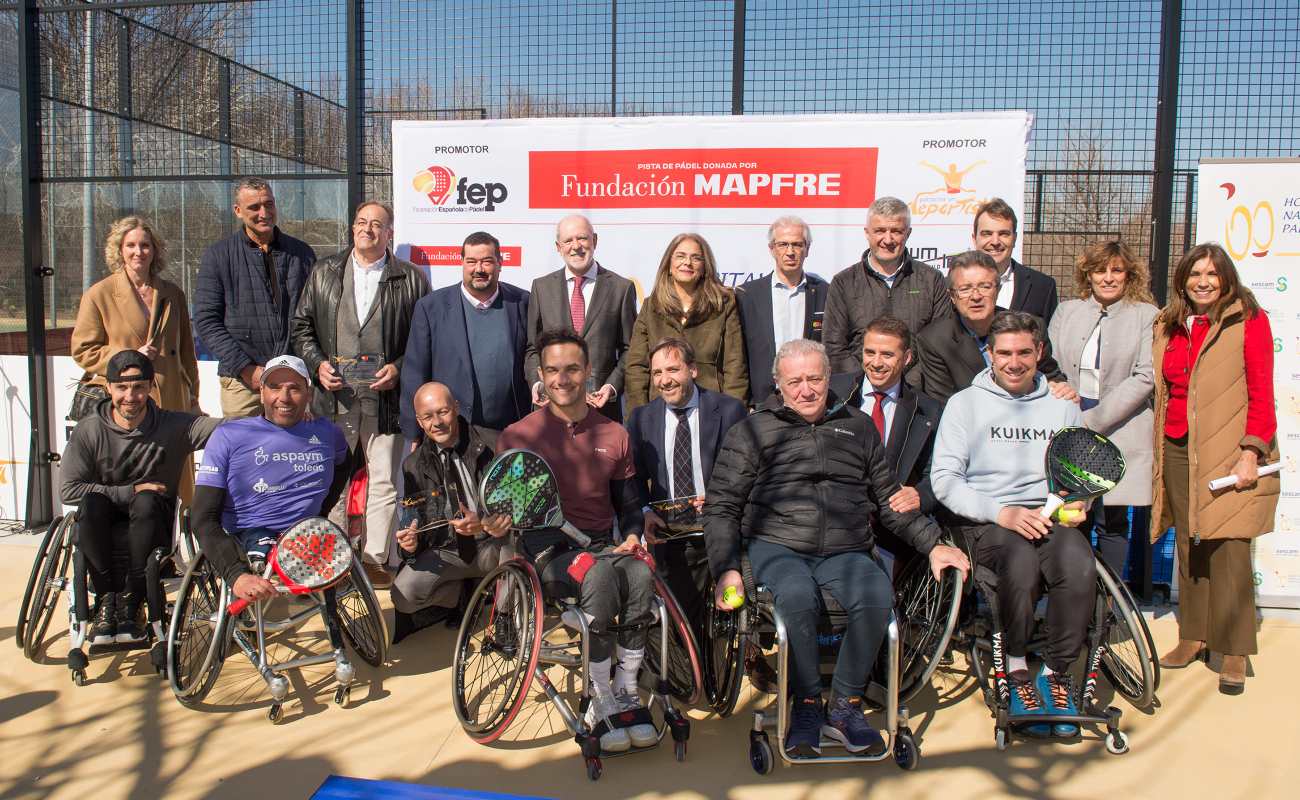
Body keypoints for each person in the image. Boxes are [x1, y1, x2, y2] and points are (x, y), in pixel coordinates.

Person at [705, 339, 969, 758]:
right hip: (778, 545)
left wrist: (933, 544)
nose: (806, 390)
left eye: (815, 378)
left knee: (877, 595)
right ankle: (807, 704)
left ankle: (846, 705)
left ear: (830, 378)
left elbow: (888, 500)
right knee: (795, 597)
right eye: (795, 381)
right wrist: (725, 569)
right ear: (778, 384)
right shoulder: (752, 431)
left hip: (846, 548)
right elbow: (722, 507)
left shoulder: (858, 426)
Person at [930, 311, 1092, 737]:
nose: (1014, 362)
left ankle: (1056, 675)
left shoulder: (1062, 406)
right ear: (990, 354)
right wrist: (1001, 512)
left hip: (1048, 516)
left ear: (1039, 352)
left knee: (1078, 566)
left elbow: (1078, 475)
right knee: (1019, 562)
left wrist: (1078, 502)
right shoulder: (964, 405)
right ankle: (1017, 667)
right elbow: (944, 481)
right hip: (990, 518)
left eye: (1024, 352)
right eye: (1004, 353)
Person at [497, 330, 657, 754]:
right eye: (553, 370)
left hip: (603, 543)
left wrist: (634, 536)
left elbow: (628, 504)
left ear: (588, 372)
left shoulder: (614, 433)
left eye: (572, 369)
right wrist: (495, 522)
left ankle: (626, 688)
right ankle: (598, 691)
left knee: (640, 573)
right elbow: (511, 512)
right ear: (541, 375)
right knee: (600, 573)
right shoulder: (518, 436)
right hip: (547, 552)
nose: (562, 379)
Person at [1149, 243, 1279, 695]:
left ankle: (1235, 649)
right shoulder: (1169, 323)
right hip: (1178, 447)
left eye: (1212, 273)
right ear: (1182, 279)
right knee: (1189, 540)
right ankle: (1194, 635)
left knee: (1230, 548)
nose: (1203, 281)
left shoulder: (1249, 320)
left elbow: (1263, 391)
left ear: (1226, 278)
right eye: (1194, 273)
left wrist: (1252, 452)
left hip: (1229, 451)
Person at [291, 200, 430, 588]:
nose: (368, 229)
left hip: (385, 400)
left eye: (378, 224)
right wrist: (317, 364)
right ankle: (330, 559)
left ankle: (374, 560)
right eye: (361, 222)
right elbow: (301, 328)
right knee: (330, 481)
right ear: (352, 229)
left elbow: (423, 339)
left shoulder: (411, 278)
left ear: (390, 234)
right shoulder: (324, 272)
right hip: (333, 399)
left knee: (384, 480)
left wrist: (400, 369)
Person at [60, 351, 221, 645]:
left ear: (150, 387)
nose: (130, 396)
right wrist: (130, 490)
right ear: (108, 388)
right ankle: (108, 599)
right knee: (93, 503)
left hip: (152, 519)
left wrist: (282, 414)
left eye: (138, 387)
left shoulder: (172, 425)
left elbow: (227, 429)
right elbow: (69, 490)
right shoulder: (89, 430)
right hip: (103, 517)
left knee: (147, 502)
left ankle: (132, 600)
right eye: (121, 387)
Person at [192, 355, 350, 602]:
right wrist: (236, 575)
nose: (284, 398)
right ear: (261, 391)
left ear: (308, 394)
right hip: (245, 537)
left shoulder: (328, 433)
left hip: (305, 536)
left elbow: (345, 464)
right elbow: (202, 517)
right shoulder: (228, 435)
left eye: (294, 388)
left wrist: (322, 510)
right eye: (275, 387)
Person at [71, 216, 202, 502]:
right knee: (137, 485)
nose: (138, 252)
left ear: (155, 250)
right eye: (130, 245)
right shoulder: (99, 294)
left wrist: (193, 398)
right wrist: (127, 358)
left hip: (171, 398)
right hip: (127, 402)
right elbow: (83, 350)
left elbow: (186, 354)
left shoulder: (172, 293)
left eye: (145, 245)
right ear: (119, 250)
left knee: (179, 482)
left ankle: (181, 539)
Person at [1047, 241, 1158, 577]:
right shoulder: (1067, 311)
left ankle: (1110, 606)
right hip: (1070, 425)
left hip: (1120, 428)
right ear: (1088, 274)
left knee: (1111, 520)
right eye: (1100, 270)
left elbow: (1145, 375)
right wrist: (1067, 405)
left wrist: (1092, 420)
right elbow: (1050, 364)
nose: (1108, 278)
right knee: (1070, 517)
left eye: (1117, 270)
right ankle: (1077, 597)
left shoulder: (1146, 315)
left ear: (1129, 275)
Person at [627, 337, 747, 633]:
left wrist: (718, 499)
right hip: (671, 538)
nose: (664, 381)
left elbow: (745, 472)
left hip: (722, 531)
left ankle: (734, 662)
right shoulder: (642, 418)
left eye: (673, 370)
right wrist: (644, 511)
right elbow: (633, 478)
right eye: (657, 373)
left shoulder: (729, 411)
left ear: (692, 370)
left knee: (728, 614)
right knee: (682, 625)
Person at [389, 382, 510, 643]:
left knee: (515, 547)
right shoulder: (412, 465)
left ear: (456, 408)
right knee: (404, 595)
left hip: (494, 545)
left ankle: (504, 617)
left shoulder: (494, 442)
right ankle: (462, 595)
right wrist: (409, 543)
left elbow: (518, 502)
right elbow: (413, 519)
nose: (437, 422)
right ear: (419, 422)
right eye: (428, 417)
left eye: (443, 412)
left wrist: (486, 522)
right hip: (449, 550)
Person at [192, 177, 317, 418]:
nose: (264, 213)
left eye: (269, 204)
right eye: (254, 207)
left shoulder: (302, 254)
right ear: (238, 211)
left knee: (290, 451)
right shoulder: (218, 256)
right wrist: (246, 368)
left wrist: (303, 366)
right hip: (242, 382)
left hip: (292, 378)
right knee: (245, 450)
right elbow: (207, 321)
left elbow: (314, 317)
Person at [401, 231, 531, 438]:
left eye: (487, 261)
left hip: (510, 430)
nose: (478, 269)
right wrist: (414, 431)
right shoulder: (431, 307)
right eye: (471, 261)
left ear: (500, 263)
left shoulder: (522, 302)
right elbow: (414, 372)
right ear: (462, 263)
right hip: (452, 432)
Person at [913, 250, 1071, 405]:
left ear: (998, 290)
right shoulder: (935, 340)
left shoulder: (1030, 328)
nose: (976, 297)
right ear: (953, 297)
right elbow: (944, 403)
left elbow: (1051, 376)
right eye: (965, 289)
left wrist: (1061, 388)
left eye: (985, 287)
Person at [831, 316, 943, 529]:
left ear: (907, 357)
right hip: (836, 517)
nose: (876, 363)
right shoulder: (833, 392)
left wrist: (920, 495)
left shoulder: (928, 410)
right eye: (870, 352)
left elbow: (938, 474)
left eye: (887, 355)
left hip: (893, 525)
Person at [524, 215, 638, 421]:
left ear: (595, 241)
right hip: (551, 407)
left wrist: (611, 387)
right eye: (568, 241)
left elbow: (631, 349)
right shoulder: (541, 288)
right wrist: (538, 383)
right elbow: (532, 348)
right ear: (558, 247)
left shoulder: (621, 289)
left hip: (600, 410)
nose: (576, 246)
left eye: (582, 238)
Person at [823, 197, 952, 373]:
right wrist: (868, 383)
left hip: (915, 394)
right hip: (860, 393)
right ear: (867, 232)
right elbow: (834, 347)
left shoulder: (932, 280)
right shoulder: (843, 283)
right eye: (880, 231)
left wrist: (906, 387)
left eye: (896, 231)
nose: (888, 239)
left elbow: (940, 344)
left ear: (908, 233)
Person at [623, 233, 747, 412]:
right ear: (669, 265)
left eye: (696, 258)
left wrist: (733, 416)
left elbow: (735, 366)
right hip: (660, 408)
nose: (687, 262)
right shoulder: (651, 306)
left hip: (711, 410)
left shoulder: (724, 305)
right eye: (680, 256)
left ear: (705, 267)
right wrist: (640, 416)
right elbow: (636, 367)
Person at [736, 216, 830, 406]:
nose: (790, 252)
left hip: (809, 400)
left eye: (797, 244)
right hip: (763, 402)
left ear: (807, 249)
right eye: (783, 244)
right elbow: (738, 356)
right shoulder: (747, 295)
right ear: (772, 249)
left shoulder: (825, 293)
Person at [970, 198, 1059, 323]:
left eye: (1003, 234)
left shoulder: (1043, 287)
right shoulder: (951, 287)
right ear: (974, 239)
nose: (995, 242)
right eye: (987, 234)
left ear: (1015, 238)